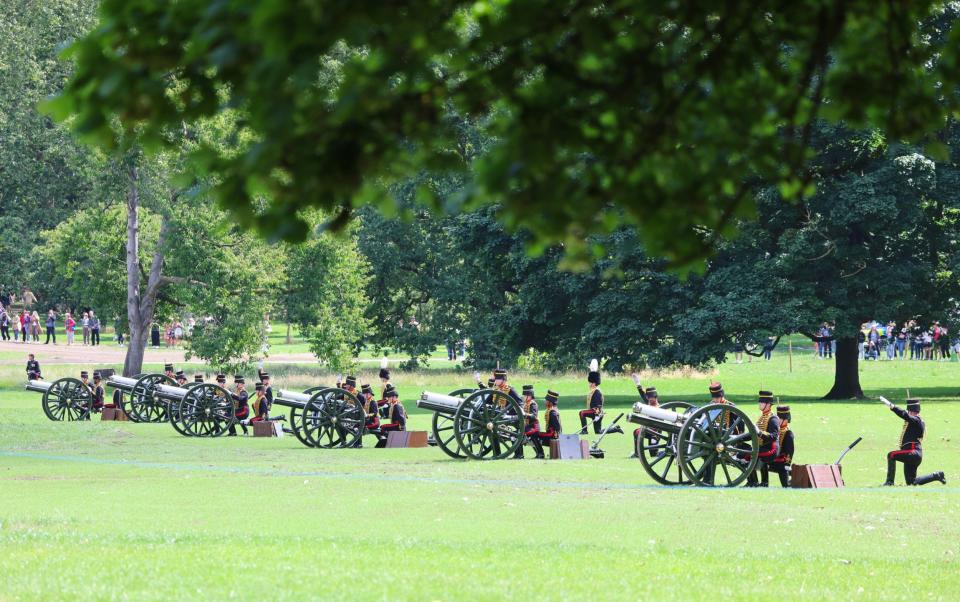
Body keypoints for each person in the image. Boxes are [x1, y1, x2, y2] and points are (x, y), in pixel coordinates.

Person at [880, 397, 945, 486]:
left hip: (912, 452)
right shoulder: (915, 420)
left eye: (908, 411)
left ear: (911, 411)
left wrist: (892, 406)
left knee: (891, 455)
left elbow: (904, 415)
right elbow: (906, 416)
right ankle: (936, 475)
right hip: (914, 455)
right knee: (911, 482)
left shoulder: (916, 420)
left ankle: (889, 482)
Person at [747, 391, 780, 487]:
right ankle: (760, 482)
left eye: (762, 402)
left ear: (768, 404)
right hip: (763, 447)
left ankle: (754, 482)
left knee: (746, 454)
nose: (759, 404)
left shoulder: (773, 418)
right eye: (760, 402)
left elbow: (773, 436)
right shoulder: (762, 417)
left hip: (771, 449)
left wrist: (759, 432)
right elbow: (754, 434)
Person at [763, 404, 794, 487]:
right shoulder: (776, 429)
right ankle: (764, 483)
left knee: (785, 483)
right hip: (773, 458)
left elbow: (790, 451)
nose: (778, 420)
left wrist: (787, 464)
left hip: (782, 461)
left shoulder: (788, 433)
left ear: (786, 420)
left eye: (780, 418)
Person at [532, 390, 562, 458]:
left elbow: (557, 427)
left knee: (534, 435)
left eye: (546, 400)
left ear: (550, 402)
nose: (545, 402)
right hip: (551, 434)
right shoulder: (552, 409)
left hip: (552, 436)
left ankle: (541, 454)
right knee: (535, 434)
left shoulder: (552, 412)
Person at [514, 385, 540, 459]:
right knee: (515, 434)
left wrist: (524, 414)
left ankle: (520, 455)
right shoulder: (525, 404)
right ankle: (518, 454)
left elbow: (533, 416)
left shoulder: (533, 404)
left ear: (529, 396)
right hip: (527, 426)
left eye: (525, 395)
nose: (523, 397)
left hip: (533, 427)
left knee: (518, 434)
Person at [579, 359, 605, 434]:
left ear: (593, 383)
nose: (589, 384)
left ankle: (584, 431)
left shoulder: (597, 392)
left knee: (582, 413)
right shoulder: (593, 391)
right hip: (595, 412)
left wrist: (597, 415)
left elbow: (598, 405)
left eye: (590, 383)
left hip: (596, 412)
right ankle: (615, 429)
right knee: (598, 432)